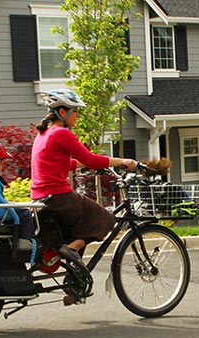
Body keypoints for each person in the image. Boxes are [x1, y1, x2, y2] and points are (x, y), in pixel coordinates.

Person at [31, 89, 137, 304]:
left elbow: (65, 163)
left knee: (82, 227)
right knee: (106, 219)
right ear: (62, 111)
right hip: (60, 198)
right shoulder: (61, 133)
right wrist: (123, 161)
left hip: (43, 199)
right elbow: (90, 159)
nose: (77, 116)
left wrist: (85, 164)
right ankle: (70, 249)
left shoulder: (43, 134)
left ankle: (73, 285)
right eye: (74, 112)